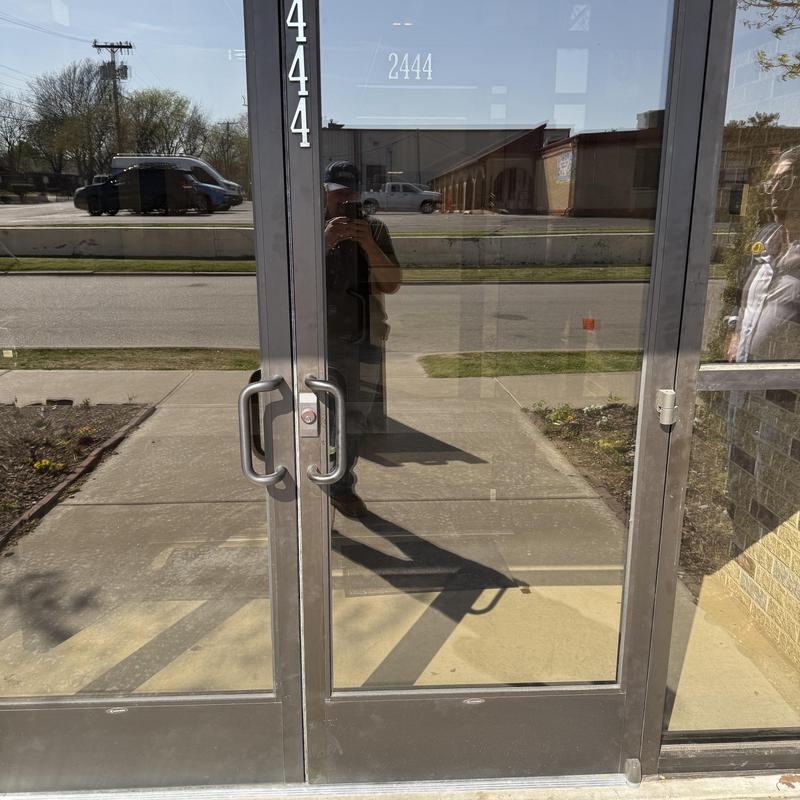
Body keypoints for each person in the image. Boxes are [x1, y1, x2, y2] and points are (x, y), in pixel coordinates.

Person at [323, 161, 401, 518]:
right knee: (319, 415)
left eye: (350, 192)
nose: (344, 199)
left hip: (364, 336)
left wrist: (367, 242)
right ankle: (317, 476)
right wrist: (325, 241)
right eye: (337, 191)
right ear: (324, 193)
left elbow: (391, 283)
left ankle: (339, 484)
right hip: (317, 338)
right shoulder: (310, 229)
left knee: (354, 418)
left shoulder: (376, 229)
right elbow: (288, 282)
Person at [726, 146, 800, 363]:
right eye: (772, 182)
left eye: (784, 181)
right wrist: (734, 332)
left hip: (783, 384)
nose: (774, 190)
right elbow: (744, 294)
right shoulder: (764, 239)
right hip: (743, 377)